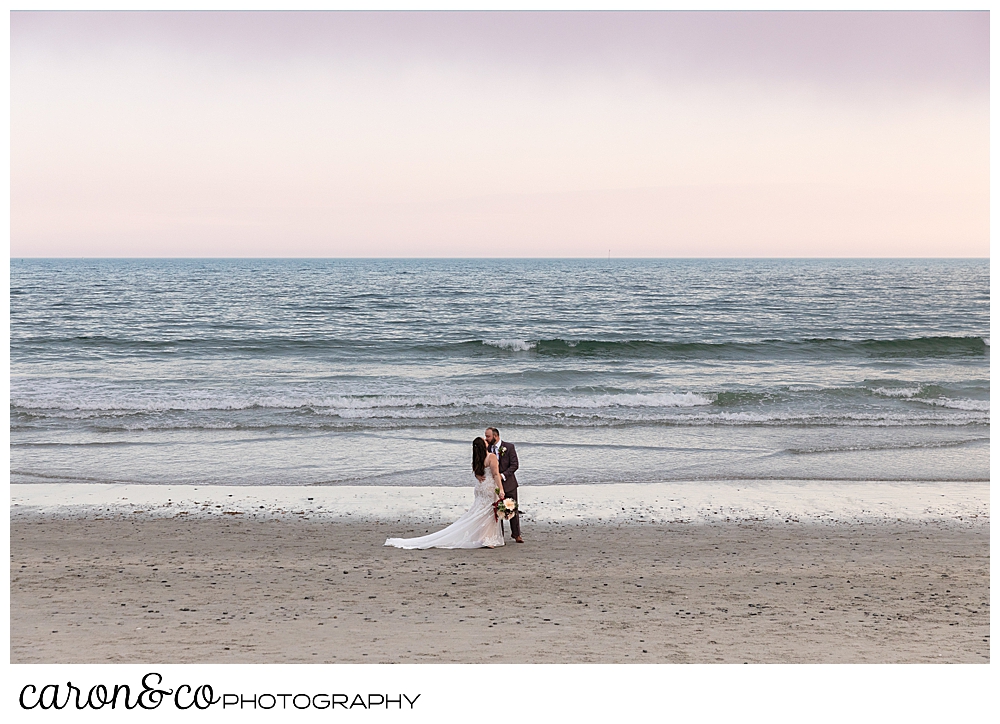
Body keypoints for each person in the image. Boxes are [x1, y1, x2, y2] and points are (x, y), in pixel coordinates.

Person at [384, 437, 505, 549]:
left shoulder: (477, 458)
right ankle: (486, 539)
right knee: (488, 512)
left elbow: (477, 471)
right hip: (488, 487)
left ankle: (482, 537)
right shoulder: (491, 457)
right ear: (483, 446)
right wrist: (501, 489)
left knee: (480, 511)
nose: (486, 440)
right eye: (484, 440)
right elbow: (495, 474)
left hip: (480, 487)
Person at [485, 427, 522, 543]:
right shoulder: (487, 448)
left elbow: (515, 465)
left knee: (513, 509)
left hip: (509, 483)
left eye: (488, 436)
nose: (486, 438)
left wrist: (503, 475)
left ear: (495, 436)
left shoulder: (509, 447)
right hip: (494, 485)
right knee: (497, 510)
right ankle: (499, 535)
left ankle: (516, 534)